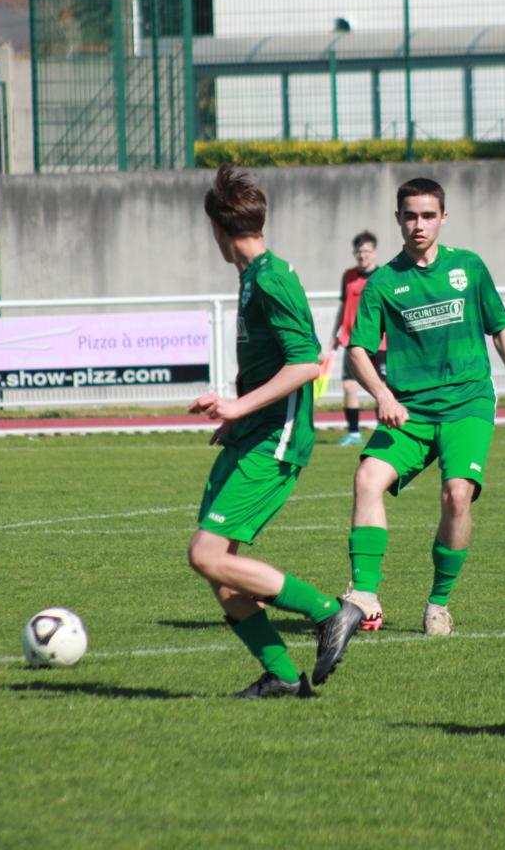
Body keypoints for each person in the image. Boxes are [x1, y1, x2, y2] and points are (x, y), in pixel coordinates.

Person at [187, 165, 363, 698]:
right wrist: (236, 417)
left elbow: (306, 363)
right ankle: (283, 677)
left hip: (274, 441)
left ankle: (330, 611)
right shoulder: (254, 276)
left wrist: (238, 405)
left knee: (206, 555)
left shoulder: (271, 278)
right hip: (251, 434)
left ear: (218, 229)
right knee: (221, 570)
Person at [342, 177, 505, 636]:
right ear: (398, 219)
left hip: (468, 403)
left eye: (428, 215)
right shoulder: (382, 282)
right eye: (410, 216)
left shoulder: (469, 266)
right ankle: (364, 594)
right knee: (367, 478)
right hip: (410, 410)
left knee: (457, 495)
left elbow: (500, 325)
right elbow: (357, 351)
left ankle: (438, 603)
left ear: (443, 217)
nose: (419, 224)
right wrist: (384, 395)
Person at [328, 231, 386, 446]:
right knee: (349, 387)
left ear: (374, 252)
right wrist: (335, 334)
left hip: (380, 343)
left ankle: (383, 432)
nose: (363, 255)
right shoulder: (348, 275)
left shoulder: (384, 276)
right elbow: (343, 306)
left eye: (367, 251)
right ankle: (354, 432)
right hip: (352, 342)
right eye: (359, 251)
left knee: (382, 389)